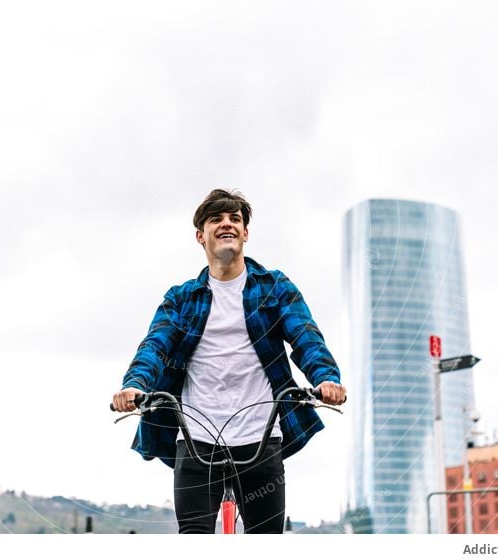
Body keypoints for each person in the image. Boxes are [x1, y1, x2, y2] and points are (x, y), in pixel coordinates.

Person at [112, 188, 346, 534]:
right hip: (195, 440)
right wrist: (134, 386)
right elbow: (155, 347)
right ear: (200, 235)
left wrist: (326, 378)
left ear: (245, 233)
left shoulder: (274, 288)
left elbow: (306, 338)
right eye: (216, 219)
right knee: (194, 538)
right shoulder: (181, 299)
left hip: (261, 436)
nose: (227, 224)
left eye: (235, 219)